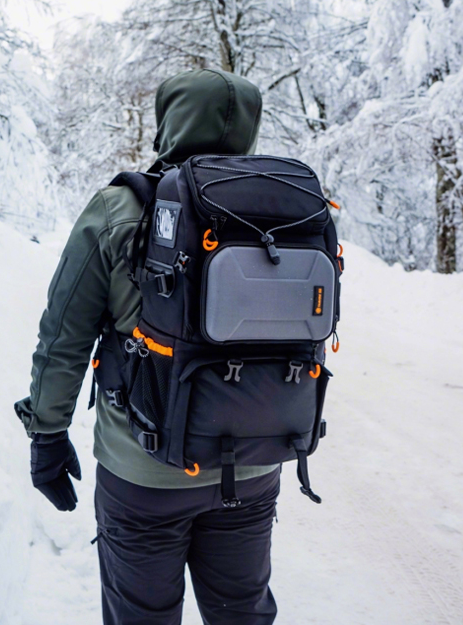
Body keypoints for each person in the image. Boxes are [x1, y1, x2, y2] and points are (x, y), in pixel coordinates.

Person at [16, 68, 281, 625]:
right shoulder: (283, 208)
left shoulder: (120, 207)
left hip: (144, 474)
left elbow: (64, 334)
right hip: (252, 468)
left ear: (170, 123)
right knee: (243, 616)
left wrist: (46, 432)